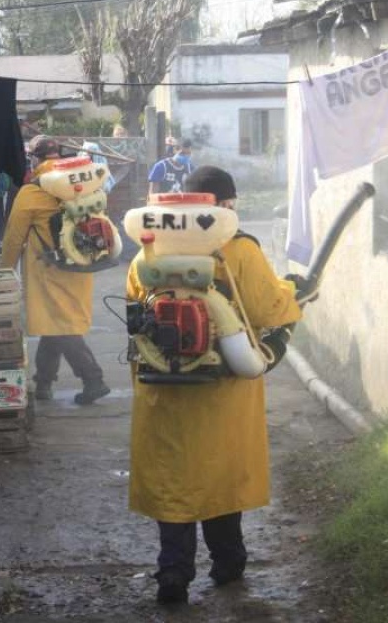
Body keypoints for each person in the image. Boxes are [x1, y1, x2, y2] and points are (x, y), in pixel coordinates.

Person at [126, 165, 303, 605]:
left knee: (174, 482)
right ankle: (228, 564)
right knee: (220, 475)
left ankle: (173, 573)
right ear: (224, 205)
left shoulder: (146, 253)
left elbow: (136, 313)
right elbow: (269, 307)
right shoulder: (237, 250)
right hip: (223, 390)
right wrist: (294, 292)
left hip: (164, 390)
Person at [0, 136, 111, 406]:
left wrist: (2, 272)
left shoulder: (31, 192)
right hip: (80, 264)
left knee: (62, 327)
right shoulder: (81, 186)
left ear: (35, 159)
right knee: (56, 325)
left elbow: (14, 238)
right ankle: (44, 383)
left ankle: (93, 379)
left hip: (47, 270)